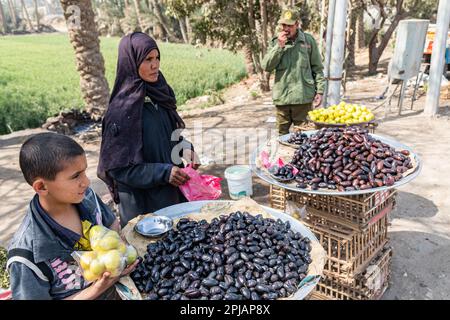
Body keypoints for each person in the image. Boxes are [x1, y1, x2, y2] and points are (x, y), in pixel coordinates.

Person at [7, 133, 138, 300]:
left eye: (84, 172)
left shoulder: (87, 197)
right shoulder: (26, 255)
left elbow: (112, 224)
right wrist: (97, 288)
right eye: (76, 176)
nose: (87, 182)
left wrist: (119, 256)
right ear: (41, 187)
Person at [97, 32, 199, 228]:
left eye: (157, 58)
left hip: (170, 196)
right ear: (131, 62)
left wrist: (186, 148)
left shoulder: (160, 94)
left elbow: (171, 133)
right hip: (143, 210)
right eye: (147, 59)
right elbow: (119, 169)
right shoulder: (121, 111)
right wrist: (163, 172)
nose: (155, 65)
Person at [262, 7, 325, 135]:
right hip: (282, 99)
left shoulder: (308, 41)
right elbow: (266, 66)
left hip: (303, 98)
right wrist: (279, 47)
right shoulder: (276, 42)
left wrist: (320, 90)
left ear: (297, 24)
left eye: (289, 25)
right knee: (282, 136)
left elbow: (317, 68)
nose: (286, 29)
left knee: (305, 135)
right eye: (283, 25)